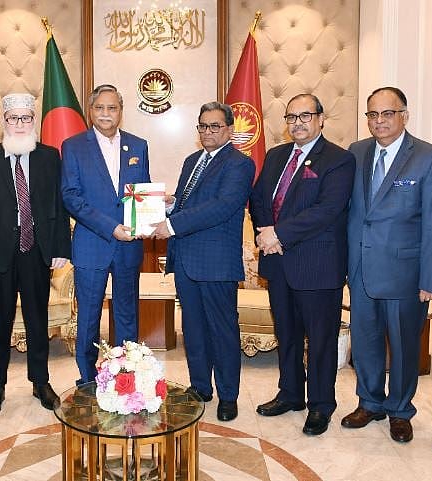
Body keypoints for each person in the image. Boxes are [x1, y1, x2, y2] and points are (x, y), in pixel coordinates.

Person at [343, 87, 432, 442]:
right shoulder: (356, 152)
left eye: (387, 114)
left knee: (405, 346)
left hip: (405, 274)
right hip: (361, 269)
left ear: (404, 115)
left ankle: (400, 410)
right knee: (365, 341)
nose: (379, 122)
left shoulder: (430, 158)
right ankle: (370, 401)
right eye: (372, 115)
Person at [249, 94, 355, 435]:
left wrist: (278, 233)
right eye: (291, 116)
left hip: (317, 264)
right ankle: (291, 393)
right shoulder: (277, 155)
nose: (297, 122)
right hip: (278, 262)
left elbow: (328, 209)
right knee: (288, 334)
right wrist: (267, 233)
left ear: (321, 118)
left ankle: (321, 405)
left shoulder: (339, 159)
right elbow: (260, 199)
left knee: (320, 339)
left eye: (305, 116)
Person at [0, 93, 71, 416]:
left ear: (34, 122)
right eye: (14, 119)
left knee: (37, 320)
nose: (20, 124)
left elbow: (58, 205)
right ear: (4, 122)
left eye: (26, 118)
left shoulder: (50, 157)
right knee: (0, 323)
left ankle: (41, 382)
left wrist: (59, 249)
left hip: (38, 252)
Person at [150, 102, 255, 422]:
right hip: (185, 259)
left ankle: (228, 395)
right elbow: (186, 203)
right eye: (203, 127)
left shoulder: (239, 164)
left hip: (216, 262)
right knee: (193, 329)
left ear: (229, 129)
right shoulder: (192, 160)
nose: (208, 132)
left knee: (222, 331)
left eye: (215, 127)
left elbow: (221, 207)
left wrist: (170, 226)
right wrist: (167, 206)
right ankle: (200, 387)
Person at [61, 84, 150, 384]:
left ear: (121, 112)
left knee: (127, 315)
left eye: (112, 108)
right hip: (91, 244)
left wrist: (149, 214)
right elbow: (71, 197)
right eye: (99, 107)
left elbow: (142, 192)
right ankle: (87, 379)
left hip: (129, 247)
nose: (105, 114)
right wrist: (110, 227)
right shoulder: (73, 146)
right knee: (88, 318)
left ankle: (126, 376)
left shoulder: (139, 146)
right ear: (90, 111)